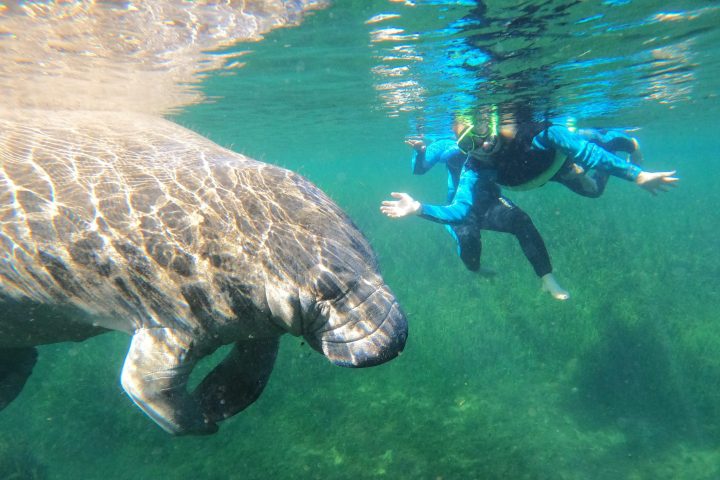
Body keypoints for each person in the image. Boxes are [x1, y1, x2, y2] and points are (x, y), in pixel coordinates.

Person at [382, 132, 570, 301]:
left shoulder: (495, 141)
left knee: (522, 222)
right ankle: (476, 269)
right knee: (469, 245)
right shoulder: (446, 146)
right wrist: (420, 153)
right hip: (461, 210)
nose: (477, 141)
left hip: (490, 203)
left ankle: (547, 278)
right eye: (464, 135)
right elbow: (419, 168)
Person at [453, 113, 678, 196]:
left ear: (489, 123)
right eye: (468, 143)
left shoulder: (536, 134)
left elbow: (586, 153)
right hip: (551, 171)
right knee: (595, 191)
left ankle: (624, 141)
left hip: (557, 156)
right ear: (464, 151)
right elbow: (461, 203)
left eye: (480, 131)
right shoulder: (475, 167)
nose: (482, 144)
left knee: (593, 146)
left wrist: (637, 175)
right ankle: (581, 162)